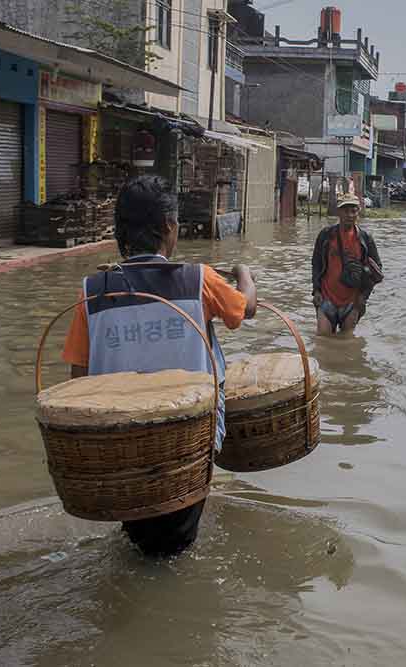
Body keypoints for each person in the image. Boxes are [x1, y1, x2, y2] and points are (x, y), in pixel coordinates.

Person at [61, 175, 257, 557]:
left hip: (119, 448)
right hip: (187, 441)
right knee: (175, 544)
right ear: (169, 226)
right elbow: (245, 308)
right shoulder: (197, 279)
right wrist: (244, 274)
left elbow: (77, 382)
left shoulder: (92, 292)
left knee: (139, 534)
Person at [312, 194, 383, 336]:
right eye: (345, 211)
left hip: (352, 302)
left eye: (353, 211)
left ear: (358, 212)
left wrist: (363, 296)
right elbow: (316, 264)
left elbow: (377, 270)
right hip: (326, 297)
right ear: (338, 212)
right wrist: (316, 290)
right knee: (323, 339)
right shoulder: (326, 235)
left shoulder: (365, 238)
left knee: (347, 341)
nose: (350, 215)